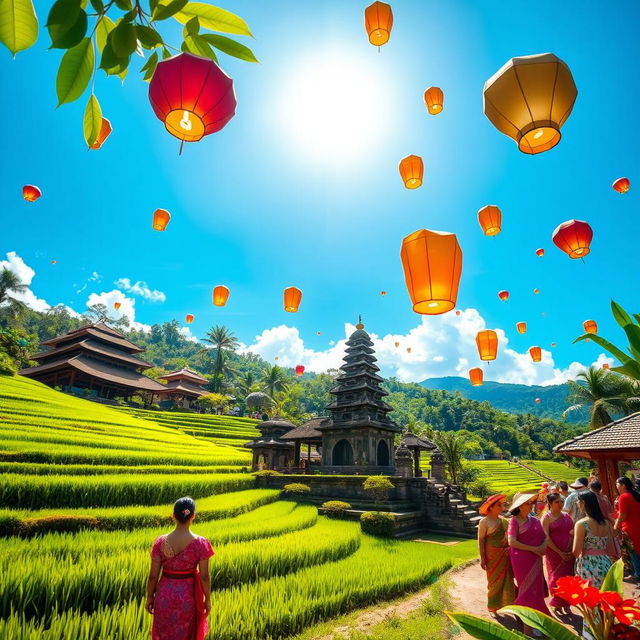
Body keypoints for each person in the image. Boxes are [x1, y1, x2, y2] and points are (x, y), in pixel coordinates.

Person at [146, 497, 214, 640]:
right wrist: (207, 599)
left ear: (173, 516)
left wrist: (149, 597)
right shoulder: (201, 543)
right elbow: (204, 576)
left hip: (164, 596)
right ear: (193, 516)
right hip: (188, 597)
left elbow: (153, 576)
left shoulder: (160, 542)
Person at [507, 492, 550, 617]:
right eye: (528, 503)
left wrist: (542, 547)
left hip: (535, 558)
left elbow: (545, 537)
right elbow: (512, 542)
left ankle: (537, 615)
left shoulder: (535, 520)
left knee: (536, 588)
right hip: (521, 559)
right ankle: (527, 619)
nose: (532, 505)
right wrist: (533, 549)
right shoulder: (514, 521)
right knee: (526, 588)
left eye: (532, 502)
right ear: (520, 505)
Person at [477, 494, 516, 613]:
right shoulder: (484, 522)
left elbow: (511, 538)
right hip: (492, 557)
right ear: (491, 507)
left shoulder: (504, 521)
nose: (502, 507)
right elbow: (481, 540)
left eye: (502, 504)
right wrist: (483, 559)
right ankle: (493, 606)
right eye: (499, 505)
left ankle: (508, 605)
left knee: (507, 580)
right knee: (493, 582)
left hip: (505, 556)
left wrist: (509, 548)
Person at [574, 491, 617, 589]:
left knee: (591, 598)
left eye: (578, 501)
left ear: (583, 503)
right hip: (605, 563)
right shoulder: (606, 523)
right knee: (604, 597)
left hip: (588, 564)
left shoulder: (581, 524)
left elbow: (576, 551)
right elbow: (610, 548)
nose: (577, 503)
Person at [542, 492, 574, 614]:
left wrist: (570, 549)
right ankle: (557, 603)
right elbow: (546, 537)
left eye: (561, 501)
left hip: (568, 553)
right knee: (555, 578)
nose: (560, 504)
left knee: (568, 579)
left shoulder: (566, 516)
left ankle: (567, 605)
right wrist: (559, 552)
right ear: (550, 504)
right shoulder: (546, 517)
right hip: (554, 554)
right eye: (557, 502)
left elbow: (572, 532)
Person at [614, 476, 640, 580]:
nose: (616, 486)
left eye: (617, 483)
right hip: (637, 526)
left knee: (633, 551)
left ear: (623, 485)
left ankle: (637, 574)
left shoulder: (624, 497)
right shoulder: (635, 495)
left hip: (630, 528)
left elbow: (623, 515)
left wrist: (616, 525)